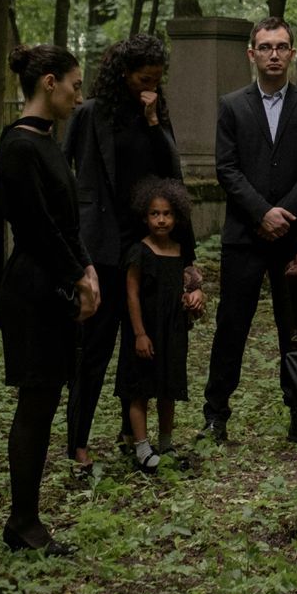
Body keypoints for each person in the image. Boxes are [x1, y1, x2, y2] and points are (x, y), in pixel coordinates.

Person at [62, 33, 202, 469]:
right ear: (123, 73)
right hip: (102, 245)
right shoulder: (91, 114)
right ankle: (78, 442)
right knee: (94, 348)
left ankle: (131, 433)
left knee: (144, 342)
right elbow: (66, 173)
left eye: (157, 79)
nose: (150, 86)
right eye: (144, 78)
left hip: (148, 246)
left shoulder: (156, 112)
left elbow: (173, 176)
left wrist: (154, 120)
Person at [0, 44, 100, 554]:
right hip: (34, 288)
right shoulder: (19, 145)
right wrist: (77, 275)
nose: (79, 96)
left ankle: (26, 520)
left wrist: (87, 267)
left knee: (47, 398)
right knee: (36, 403)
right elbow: (35, 226)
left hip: (54, 280)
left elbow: (66, 219)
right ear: (49, 82)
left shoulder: (46, 139)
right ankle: (23, 523)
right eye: (75, 85)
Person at [202, 17, 297, 444]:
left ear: (292, 53)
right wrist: (261, 213)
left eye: (281, 47)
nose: (273, 54)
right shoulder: (232, 105)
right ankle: (216, 414)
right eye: (265, 47)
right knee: (231, 325)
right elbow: (227, 168)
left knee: (293, 326)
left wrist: (283, 214)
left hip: (293, 236)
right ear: (251, 54)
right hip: (244, 235)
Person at [118, 177, 195, 472]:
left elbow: (185, 286)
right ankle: (141, 446)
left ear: (177, 216)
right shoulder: (139, 251)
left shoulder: (179, 251)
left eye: (167, 214)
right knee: (140, 388)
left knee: (167, 387)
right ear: (144, 217)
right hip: (145, 330)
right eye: (154, 213)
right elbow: (131, 294)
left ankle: (166, 443)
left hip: (171, 330)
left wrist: (192, 297)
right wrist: (139, 333)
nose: (161, 220)